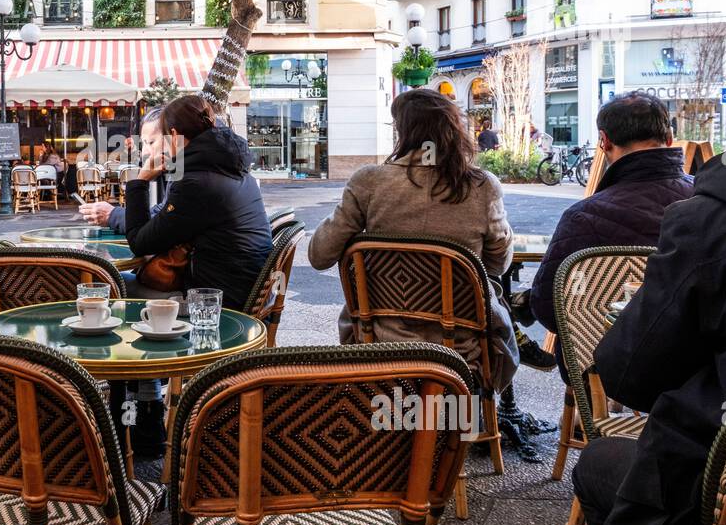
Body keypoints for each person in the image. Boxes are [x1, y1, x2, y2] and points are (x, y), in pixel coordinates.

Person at [573, 121, 726, 525]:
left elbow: (631, 375)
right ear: (668, 138)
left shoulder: (713, 220)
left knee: (600, 462)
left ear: (605, 142)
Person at [308, 88, 519, 390]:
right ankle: (467, 427)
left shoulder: (369, 182)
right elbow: (498, 264)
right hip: (461, 346)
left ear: (401, 132)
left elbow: (319, 256)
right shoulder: (482, 186)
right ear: (452, 130)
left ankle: (389, 423)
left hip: (383, 340)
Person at [529, 92, 693, 381]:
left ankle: (585, 422)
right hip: (698, 372)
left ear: (604, 141)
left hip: (606, 372)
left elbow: (549, 309)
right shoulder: (711, 200)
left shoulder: (583, 218)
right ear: (669, 137)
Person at [123, 95, 272, 310]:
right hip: (245, 289)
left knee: (111, 283)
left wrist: (140, 181)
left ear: (173, 136)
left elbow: (139, 243)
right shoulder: (230, 167)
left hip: (216, 301)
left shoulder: (195, 182)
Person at [79, 107, 166, 233]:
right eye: (144, 143)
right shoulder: (169, 170)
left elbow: (160, 222)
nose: (145, 152)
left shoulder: (183, 173)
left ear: (173, 138)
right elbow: (158, 212)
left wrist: (112, 215)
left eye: (151, 142)